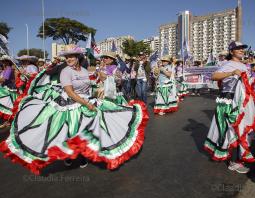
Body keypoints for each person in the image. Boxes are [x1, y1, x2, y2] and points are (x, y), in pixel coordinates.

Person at [0, 44, 149, 175]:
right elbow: (70, 92)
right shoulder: (65, 71)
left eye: (71, 56)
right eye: (66, 57)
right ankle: (70, 156)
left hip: (85, 101)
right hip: (70, 103)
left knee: (90, 127)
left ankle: (82, 154)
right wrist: (86, 103)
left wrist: (102, 82)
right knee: (69, 130)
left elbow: (91, 84)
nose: (69, 59)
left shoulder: (84, 71)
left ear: (78, 57)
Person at [204, 41, 251, 174]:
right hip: (228, 101)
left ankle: (234, 158)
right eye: (238, 49)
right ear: (232, 51)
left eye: (242, 48)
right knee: (228, 130)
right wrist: (231, 73)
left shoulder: (245, 65)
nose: (242, 50)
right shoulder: (227, 64)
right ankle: (232, 161)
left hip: (241, 102)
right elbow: (214, 76)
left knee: (239, 130)